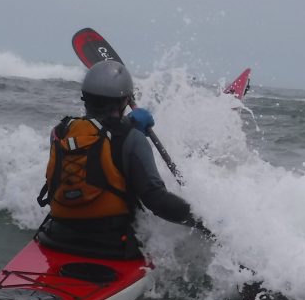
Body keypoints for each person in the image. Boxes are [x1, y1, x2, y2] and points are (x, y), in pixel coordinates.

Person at [36, 60, 207, 260]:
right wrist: (201, 221)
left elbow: (97, 130)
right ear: (125, 101)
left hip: (57, 237)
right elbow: (156, 201)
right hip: (113, 246)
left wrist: (129, 124)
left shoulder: (59, 132)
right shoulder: (132, 139)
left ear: (85, 98)